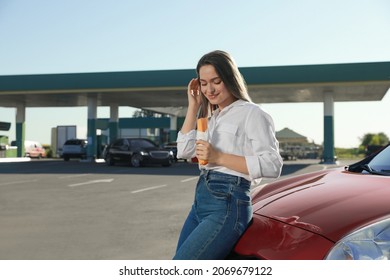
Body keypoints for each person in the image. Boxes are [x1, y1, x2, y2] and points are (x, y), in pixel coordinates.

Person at [173, 50, 283, 260]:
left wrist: (218, 157)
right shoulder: (212, 117)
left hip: (227, 204)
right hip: (200, 202)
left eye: (216, 81)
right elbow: (184, 151)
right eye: (204, 83)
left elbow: (273, 165)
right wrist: (193, 106)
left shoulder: (252, 113)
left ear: (230, 78)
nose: (209, 89)